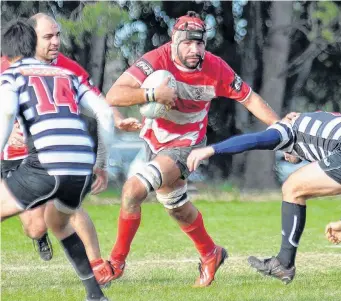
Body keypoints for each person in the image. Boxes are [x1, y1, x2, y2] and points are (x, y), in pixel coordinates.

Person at [105, 11, 279, 287]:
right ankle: (211, 253)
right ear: (174, 41)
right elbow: (114, 95)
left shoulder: (215, 67)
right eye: (187, 43)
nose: (194, 50)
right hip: (155, 142)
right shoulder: (156, 60)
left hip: (187, 146)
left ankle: (115, 263)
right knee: (176, 208)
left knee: (132, 191)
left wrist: (280, 128)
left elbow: (250, 98)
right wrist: (152, 95)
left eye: (199, 44)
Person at [1, 13, 141, 285]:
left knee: (70, 206)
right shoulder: (8, 66)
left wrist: (118, 120)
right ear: (31, 39)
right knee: (36, 227)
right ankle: (39, 234)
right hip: (14, 157)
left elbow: (98, 102)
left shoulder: (67, 68)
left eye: (58, 35)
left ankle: (97, 267)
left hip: (49, 154)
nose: (56, 42)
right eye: (48, 37)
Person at [187, 111, 341, 284]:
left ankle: (283, 263)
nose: (285, 156)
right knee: (297, 185)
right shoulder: (319, 120)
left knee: (293, 187)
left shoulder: (286, 130)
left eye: (285, 153)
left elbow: (254, 140)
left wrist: (211, 149)